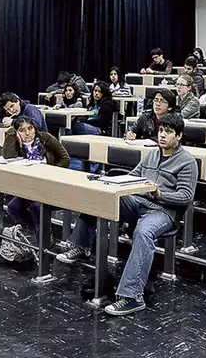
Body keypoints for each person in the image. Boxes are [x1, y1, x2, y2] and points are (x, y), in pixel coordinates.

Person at [57, 113, 198, 316]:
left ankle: (132, 297)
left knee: (143, 232)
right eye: (161, 131)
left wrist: (160, 194)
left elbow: (185, 196)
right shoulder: (151, 154)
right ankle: (80, 245)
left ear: (179, 136)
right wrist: (114, 183)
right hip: (138, 202)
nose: (163, 136)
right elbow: (133, 176)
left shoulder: (187, 162)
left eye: (169, 132)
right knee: (101, 197)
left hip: (163, 211)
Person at [2, 116, 71, 235]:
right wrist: (11, 134)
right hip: (28, 187)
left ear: (35, 128)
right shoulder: (17, 143)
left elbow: (65, 159)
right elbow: (8, 156)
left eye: (30, 128)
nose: (28, 133)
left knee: (37, 207)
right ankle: (39, 232)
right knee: (13, 208)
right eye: (22, 130)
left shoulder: (46, 139)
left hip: (49, 185)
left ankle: (43, 237)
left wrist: (50, 173)